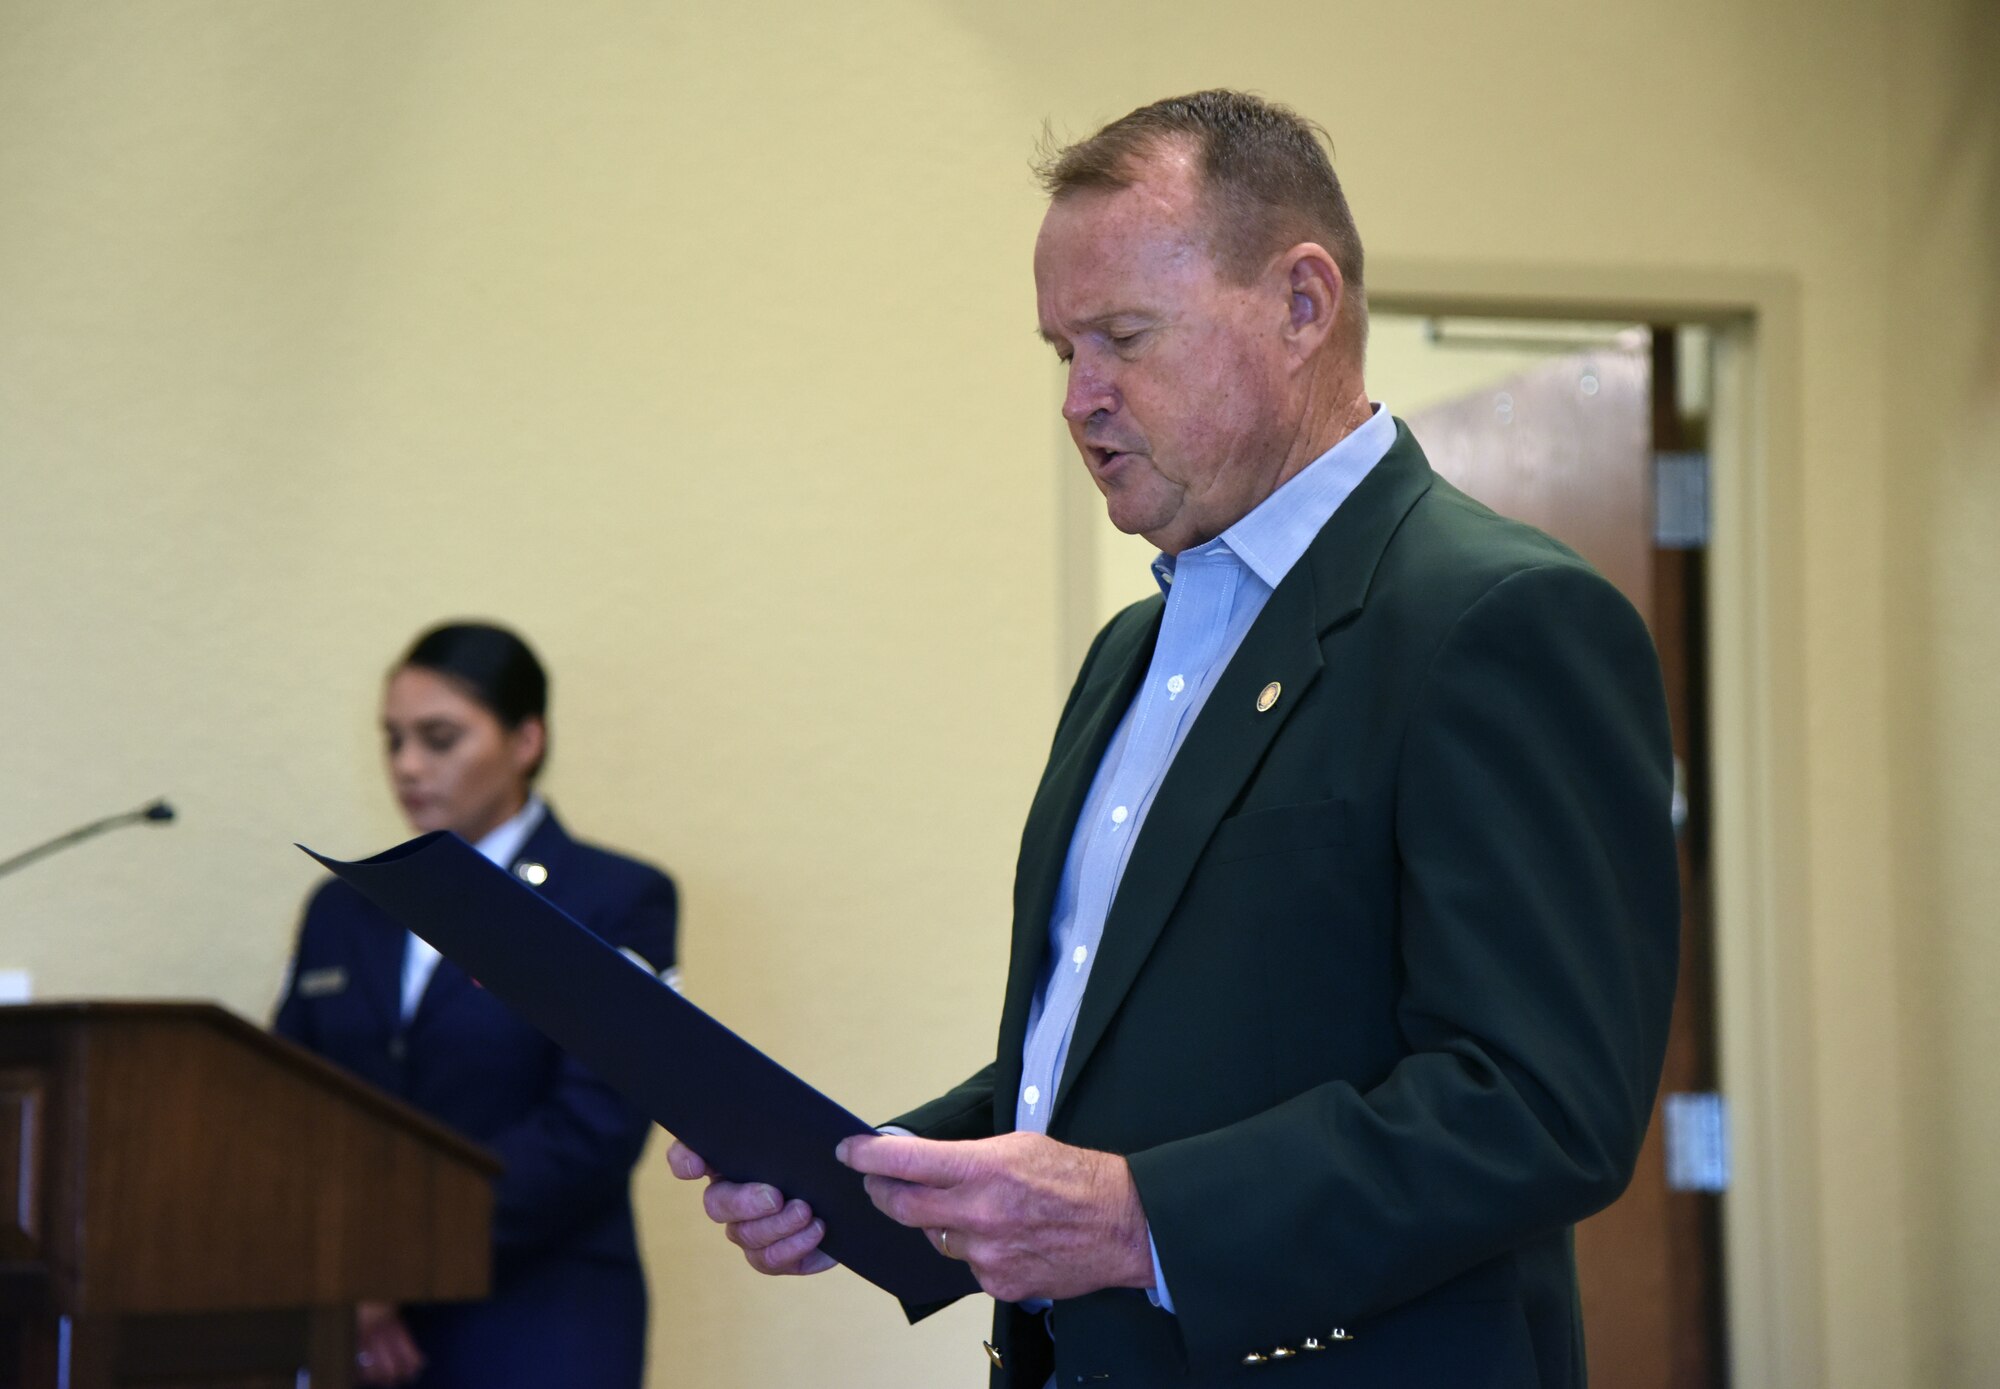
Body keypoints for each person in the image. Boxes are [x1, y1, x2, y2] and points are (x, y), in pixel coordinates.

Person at [670, 90, 1678, 1388]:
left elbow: (1541, 1107)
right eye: (1060, 352)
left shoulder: (1498, 618)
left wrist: (1145, 1218)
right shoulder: (1128, 656)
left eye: (1125, 338)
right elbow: (1118, 1053)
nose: (1082, 398)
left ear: (1303, 305)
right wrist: (881, 1177)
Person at [276, 621, 676, 1389]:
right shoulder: (340, 907)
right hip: (354, 1321)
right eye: (392, 740)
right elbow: (289, 1103)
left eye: (439, 737)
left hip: (540, 1317)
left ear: (526, 739)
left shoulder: (612, 898)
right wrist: (345, 1277)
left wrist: (397, 1264)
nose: (407, 765)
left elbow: (592, 1125)